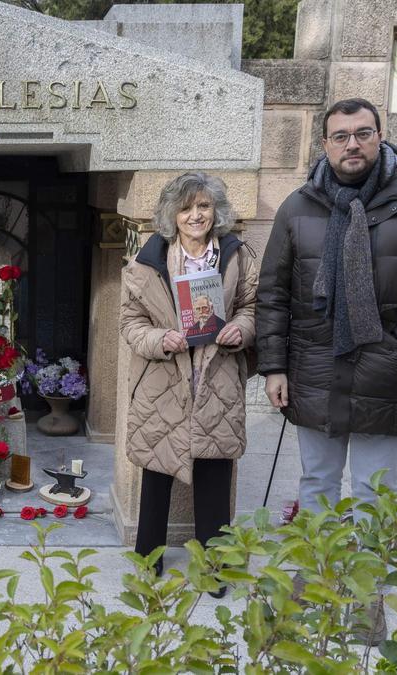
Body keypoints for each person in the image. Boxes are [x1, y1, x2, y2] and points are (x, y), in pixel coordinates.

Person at [255, 97, 397, 642]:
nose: (351, 144)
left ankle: (363, 607)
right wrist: (274, 366)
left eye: (362, 133)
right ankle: (311, 594)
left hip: (389, 372)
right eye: (340, 136)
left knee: (375, 493)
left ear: (380, 136)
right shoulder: (298, 206)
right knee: (317, 485)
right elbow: (273, 293)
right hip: (314, 369)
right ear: (324, 144)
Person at [120, 172, 259, 593]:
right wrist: (160, 339)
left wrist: (240, 330)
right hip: (163, 381)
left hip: (217, 378)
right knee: (156, 473)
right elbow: (130, 322)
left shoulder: (237, 257)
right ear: (172, 215)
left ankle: (214, 569)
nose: (195, 215)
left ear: (216, 211)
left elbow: (252, 306)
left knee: (215, 475)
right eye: (185, 208)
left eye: (203, 206)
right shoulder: (147, 262)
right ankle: (149, 563)